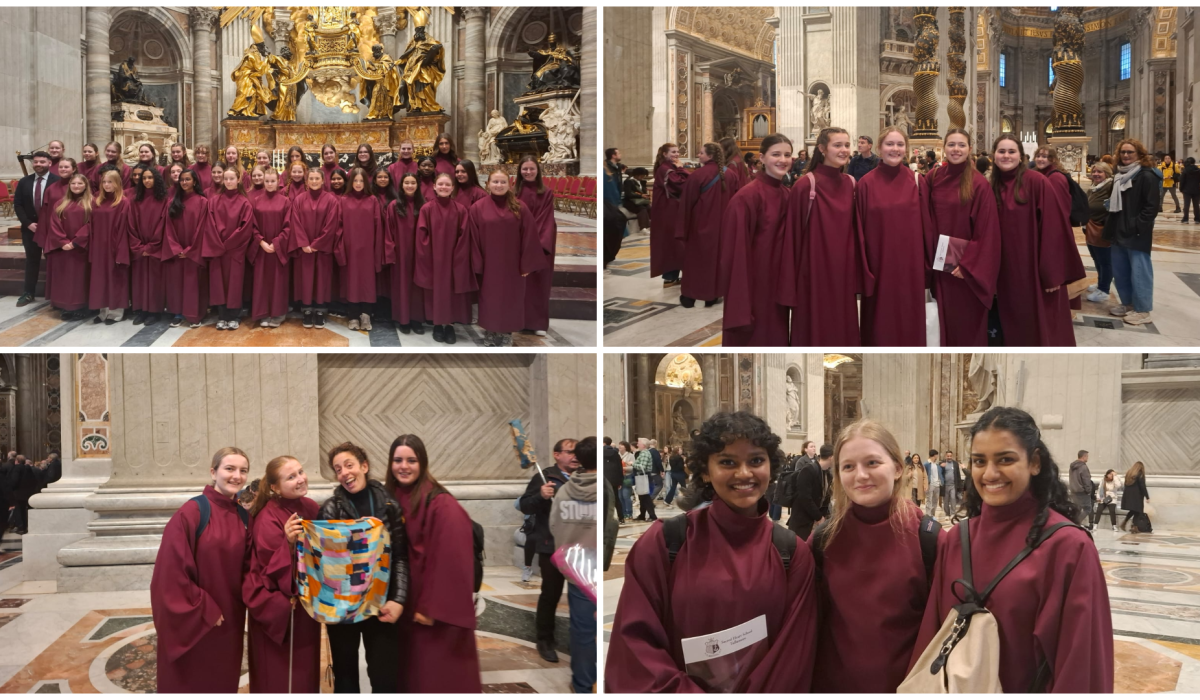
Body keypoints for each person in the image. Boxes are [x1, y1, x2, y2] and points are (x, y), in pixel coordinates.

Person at [606, 411, 818, 692]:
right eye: (727, 462)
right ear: (705, 470)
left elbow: (793, 655)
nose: (744, 473)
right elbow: (634, 646)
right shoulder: (665, 542)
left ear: (771, 466)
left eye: (756, 460)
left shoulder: (793, 552)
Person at [909, 406, 1113, 692]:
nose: (990, 473)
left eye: (1005, 459)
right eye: (979, 461)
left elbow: (1082, 665)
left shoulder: (1068, 548)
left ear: (1035, 463)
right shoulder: (956, 538)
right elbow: (933, 637)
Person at [810, 420, 945, 692]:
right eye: (848, 466)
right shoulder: (823, 540)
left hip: (908, 686)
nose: (860, 475)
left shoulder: (929, 538)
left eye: (872, 463)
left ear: (897, 468)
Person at [150, 447, 252, 693]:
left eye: (243, 470)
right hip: (197, 618)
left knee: (222, 679)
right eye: (229, 468)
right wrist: (203, 608)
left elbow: (250, 565)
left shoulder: (243, 516)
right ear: (213, 472)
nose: (236, 476)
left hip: (230, 620)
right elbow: (169, 572)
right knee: (189, 681)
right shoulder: (193, 512)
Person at [388, 434, 483, 693]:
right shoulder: (391, 496)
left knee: (436, 679)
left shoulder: (441, 504)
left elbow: (452, 560)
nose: (403, 466)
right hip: (403, 607)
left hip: (430, 612)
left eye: (411, 460)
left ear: (423, 463)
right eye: (398, 460)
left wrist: (432, 607)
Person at [318, 442, 411, 693]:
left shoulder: (389, 504)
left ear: (364, 466)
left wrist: (398, 599)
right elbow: (325, 564)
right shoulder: (330, 508)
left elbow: (400, 556)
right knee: (346, 678)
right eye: (338, 469)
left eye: (349, 465)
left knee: (385, 677)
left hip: (381, 602)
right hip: (343, 607)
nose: (344, 473)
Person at [779, 127, 865, 346]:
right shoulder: (806, 185)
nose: (844, 150)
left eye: (847, 145)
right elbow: (793, 237)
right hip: (813, 272)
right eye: (837, 145)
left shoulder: (851, 184)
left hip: (842, 272)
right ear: (822, 148)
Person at [242, 456, 321, 693]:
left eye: (300, 472)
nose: (300, 479)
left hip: (307, 604)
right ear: (275, 487)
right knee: (280, 675)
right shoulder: (268, 516)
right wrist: (287, 542)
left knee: (305, 671)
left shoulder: (310, 507)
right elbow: (268, 569)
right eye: (291, 477)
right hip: (282, 606)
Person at [926, 129, 1000, 346]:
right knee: (941, 322)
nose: (956, 150)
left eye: (961, 145)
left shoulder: (978, 183)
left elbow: (987, 230)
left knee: (966, 324)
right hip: (940, 264)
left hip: (964, 269)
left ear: (969, 149)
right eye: (951, 145)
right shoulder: (933, 177)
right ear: (944, 148)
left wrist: (969, 264)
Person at [857, 127, 929, 346]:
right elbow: (859, 230)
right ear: (879, 147)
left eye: (900, 144)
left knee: (909, 323)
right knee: (880, 325)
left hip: (910, 268)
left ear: (906, 149)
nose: (895, 149)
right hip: (879, 267)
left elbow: (928, 228)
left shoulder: (917, 181)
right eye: (889, 144)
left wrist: (927, 267)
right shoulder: (865, 184)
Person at [722, 133, 794, 346]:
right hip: (753, 284)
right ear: (761, 158)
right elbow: (734, 253)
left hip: (778, 282)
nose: (783, 159)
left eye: (787, 154)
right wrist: (740, 300)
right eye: (776, 154)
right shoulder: (747, 197)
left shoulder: (787, 193)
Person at [460, 169, 545, 347]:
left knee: (511, 299)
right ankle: (490, 332)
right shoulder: (478, 208)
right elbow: (472, 237)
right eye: (495, 182)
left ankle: (507, 333)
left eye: (502, 182)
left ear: (510, 184)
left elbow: (529, 236)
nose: (499, 185)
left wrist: (526, 264)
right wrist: (477, 263)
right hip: (489, 264)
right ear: (488, 184)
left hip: (513, 265)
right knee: (489, 299)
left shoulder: (520, 207)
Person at [518, 438, 577, 663]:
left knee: (579, 596)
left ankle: (578, 638)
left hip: (578, 547)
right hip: (551, 546)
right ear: (557, 454)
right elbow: (524, 505)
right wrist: (540, 496)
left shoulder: (584, 477)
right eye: (570, 452)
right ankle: (545, 639)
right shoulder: (544, 478)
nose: (575, 456)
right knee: (550, 594)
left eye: (577, 452)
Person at [549, 436, 598, 694]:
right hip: (595, 564)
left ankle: (582, 684)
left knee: (581, 628)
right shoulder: (605, 489)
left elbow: (554, 524)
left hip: (576, 566)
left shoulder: (565, 490)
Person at [1103, 139, 1160, 326]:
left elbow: (1151, 207)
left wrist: (1137, 226)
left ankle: (1143, 310)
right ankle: (1128, 304)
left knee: (1139, 272)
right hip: (1118, 230)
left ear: (1139, 154)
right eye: (1123, 152)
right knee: (1121, 271)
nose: (1126, 156)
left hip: (1136, 233)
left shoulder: (1146, 176)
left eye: (1130, 152)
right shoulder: (1119, 175)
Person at [415, 172, 471, 343]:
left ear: (453, 188)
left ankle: (450, 326)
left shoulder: (460, 209)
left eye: (447, 185)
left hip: (454, 259)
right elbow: (422, 235)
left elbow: (465, 234)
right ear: (434, 187)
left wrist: (458, 256)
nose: (444, 187)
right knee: (436, 292)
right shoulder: (427, 208)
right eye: (441, 184)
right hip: (434, 259)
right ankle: (437, 325)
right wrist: (429, 255)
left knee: (452, 293)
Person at [678, 142, 733, 308]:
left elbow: (687, 203)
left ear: (710, 156)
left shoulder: (697, 175)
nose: (699, 155)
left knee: (694, 263)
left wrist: (682, 228)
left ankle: (689, 297)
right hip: (724, 227)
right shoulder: (731, 175)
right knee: (718, 263)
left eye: (701, 153)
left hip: (699, 226)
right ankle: (713, 295)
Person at [290, 167, 342, 329]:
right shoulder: (299, 199)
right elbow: (295, 222)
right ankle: (306, 310)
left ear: (322, 180)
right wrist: (304, 243)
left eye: (316, 179)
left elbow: (332, 224)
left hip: (322, 249)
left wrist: (317, 244)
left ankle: (320, 310)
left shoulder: (331, 200)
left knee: (321, 278)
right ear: (307, 181)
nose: (313, 181)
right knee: (305, 278)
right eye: (311, 178)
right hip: (304, 249)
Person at [204, 168, 255, 331]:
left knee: (234, 284)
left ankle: (234, 316)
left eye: (231, 178)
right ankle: (222, 316)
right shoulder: (214, 200)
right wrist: (219, 244)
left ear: (238, 179)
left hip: (234, 251)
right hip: (218, 250)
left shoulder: (244, 202)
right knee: (219, 284)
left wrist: (228, 244)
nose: (228, 181)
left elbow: (245, 227)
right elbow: (209, 224)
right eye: (226, 178)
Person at [162, 169, 210, 329]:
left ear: (195, 182)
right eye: (182, 180)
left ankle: (195, 314)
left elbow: (203, 227)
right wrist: (176, 249)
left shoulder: (203, 202)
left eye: (187, 179)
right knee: (177, 283)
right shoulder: (172, 203)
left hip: (193, 251)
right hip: (177, 252)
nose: (184, 182)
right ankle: (178, 313)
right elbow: (168, 228)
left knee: (193, 283)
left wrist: (190, 250)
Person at [515, 156, 557, 337]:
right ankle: (519, 320)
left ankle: (538, 322)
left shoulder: (546, 192)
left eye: (532, 169)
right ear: (519, 171)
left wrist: (536, 244)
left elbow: (545, 219)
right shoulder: (514, 192)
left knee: (539, 284)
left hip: (541, 243)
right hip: (519, 243)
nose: (528, 172)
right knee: (520, 286)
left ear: (538, 171)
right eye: (525, 169)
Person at [338, 167, 384, 331]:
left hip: (367, 249)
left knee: (367, 282)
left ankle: (366, 315)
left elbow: (378, 226)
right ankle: (353, 315)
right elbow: (339, 225)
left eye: (361, 181)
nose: (358, 184)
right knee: (352, 281)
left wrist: (376, 248)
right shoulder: (343, 200)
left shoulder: (372, 200)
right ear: (351, 182)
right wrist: (341, 246)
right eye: (355, 180)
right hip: (350, 248)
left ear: (366, 182)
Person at [13, 151, 60, 307]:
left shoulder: (57, 182)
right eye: (36, 162)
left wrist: (49, 225)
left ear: (49, 164)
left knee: (53, 261)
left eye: (42, 162)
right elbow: (18, 204)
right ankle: (28, 292)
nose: (38, 164)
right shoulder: (24, 181)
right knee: (32, 261)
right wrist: (27, 223)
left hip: (51, 230)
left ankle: (56, 294)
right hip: (30, 229)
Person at [43, 174, 92, 319]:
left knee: (79, 278)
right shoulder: (60, 203)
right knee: (64, 278)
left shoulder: (92, 203)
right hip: (62, 248)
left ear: (85, 186)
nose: (76, 186)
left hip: (81, 248)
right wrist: (63, 241)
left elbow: (92, 224)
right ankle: (63, 305)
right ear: (69, 186)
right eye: (73, 184)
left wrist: (76, 241)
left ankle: (80, 306)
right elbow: (53, 224)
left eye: (79, 184)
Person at [87, 171, 132, 324]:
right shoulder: (96, 201)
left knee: (115, 279)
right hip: (99, 246)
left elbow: (124, 228)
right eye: (104, 182)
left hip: (114, 246)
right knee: (101, 279)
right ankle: (103, 311)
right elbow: (92, 225)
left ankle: (116, 313)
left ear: (117, 183)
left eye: (110, 182)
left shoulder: (123, 202)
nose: (107, 185)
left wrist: (120, 250)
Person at [248, 168, 292, 328]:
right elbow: (251, 225)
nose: (270, 184)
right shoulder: (256, 201)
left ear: (278, 181)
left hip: (278, 249)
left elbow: (288, 226)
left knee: (278, 281)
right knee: (262, 281)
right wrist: (261, 241)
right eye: (267, 181)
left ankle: (278, 313)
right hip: (262, 248)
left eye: (273, 181)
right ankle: (263, 312)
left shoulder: (285, 201)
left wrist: (276, 243)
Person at [387, 172, 428, 335]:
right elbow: (388, 231)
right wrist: (391, 251)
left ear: (417, 185)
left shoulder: (424, 206)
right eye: (406, 183)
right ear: (401, 185)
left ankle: (416, 319)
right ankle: (403, 319)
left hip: (419, 252)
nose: (410, 186)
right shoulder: (394, 206)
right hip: (400, 251)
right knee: (401, 285)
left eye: (413, 183)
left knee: (417, 286)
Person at [128, 167, 169, 326]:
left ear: (156, 179)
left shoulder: (164, 199)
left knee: (154, 281)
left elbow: (163, 223)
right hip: (139, 248)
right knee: (139, 280)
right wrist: (138, 246)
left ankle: (154, 311)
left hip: (155, 248)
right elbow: (130, 224)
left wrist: (151, 246)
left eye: (150, 177)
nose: (146, 181)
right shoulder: (135, 200)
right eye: (144, 178)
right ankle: (142, 310)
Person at [651, 143, 688, 284]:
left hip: (672, 210)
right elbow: (682, 185)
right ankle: (670, 277)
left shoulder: (669, 168)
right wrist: (681, 168)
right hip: (668, 212)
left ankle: (671, 276)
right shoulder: (665, 169)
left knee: (673, 244)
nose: (676, 154)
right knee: (672, 244)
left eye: (678, 152)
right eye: (673, 152)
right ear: (665, 154)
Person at [1085, 162, 1115, 303]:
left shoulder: (1110, 186)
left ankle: (1104, 290)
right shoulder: (1093, 188)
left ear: (1107, 174)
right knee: (1097, 259)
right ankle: (1100, 282)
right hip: (1091, 227)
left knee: (1105, 261)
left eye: (1100, 172)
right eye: (1094, 171)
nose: (1096, 174)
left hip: (1102, 228)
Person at [786, 442, 830, 540]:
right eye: (811, 446)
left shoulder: (828, 473)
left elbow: (824, 496)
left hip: (815, 520)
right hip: (802, 519)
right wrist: (818, 516)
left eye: (815, 446)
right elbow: (804, 497)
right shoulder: (808, 469)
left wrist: (822, 516)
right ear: (831, 457)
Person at [1119, 461, 1150, 531]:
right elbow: (1142, 486)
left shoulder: (1129, 474)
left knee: (1134, 511)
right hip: (1137, 496)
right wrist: (1147, 496)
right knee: (1138, 511)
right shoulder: (1140, 474)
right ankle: (1133, 526)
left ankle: (1131, 525)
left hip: (1129, 496)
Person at [1068, 449, 1093, 528]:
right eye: (1087, 456)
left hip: (1073, 491)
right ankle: (1076, 523)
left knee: (1077, 509)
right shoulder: (1083, 467)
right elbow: (1086, 479)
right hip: (1082, 491)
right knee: (1087, 508)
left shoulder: (1072, 467)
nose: (1087, 458)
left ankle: (1073, 523)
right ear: (1084, 456)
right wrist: (1088, 490)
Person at [940, 450, 961, 517]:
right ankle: (947, 513)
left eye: (950, 456)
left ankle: (952, 513)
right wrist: (940, 466)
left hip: (953, 485)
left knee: (953, 499)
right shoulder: (942, 463)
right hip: (945, 485)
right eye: (948, 456)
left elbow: (958, 474)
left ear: (952, 456)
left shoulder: (955, 463)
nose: (949, 457)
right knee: (945, 500)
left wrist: (959, 485)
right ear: (946, 456)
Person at [1179, 156, 1200, 224]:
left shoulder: (1185, 170)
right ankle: (1197, 219)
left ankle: (1185, 219)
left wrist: (1181, 189)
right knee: (1196, 205)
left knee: (1186, 205)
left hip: (1187, 190)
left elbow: (1182, 180)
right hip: (1196, 189)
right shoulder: (1198, 170)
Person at [618, 440, 635, 521]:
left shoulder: (630, 455)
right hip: (618, 477)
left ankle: (629, 513)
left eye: (622, 445)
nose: (620, 446)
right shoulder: (617, 455)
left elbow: (632, 467)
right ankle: (623, 513)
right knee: (620, 496)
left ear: (625, 447)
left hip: (627, 477)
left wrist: (623, 468)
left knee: (626, 496)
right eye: (619, 445)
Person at [924, 449, 941, 518]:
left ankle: (932, 514)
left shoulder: (937, 464)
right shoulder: (926, 464)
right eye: (937, 455)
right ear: (935, 455)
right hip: (930, 484)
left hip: (937, 484)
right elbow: (924, 475)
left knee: (935, 500)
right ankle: (928, 515)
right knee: (929, 500)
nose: (937, 456)